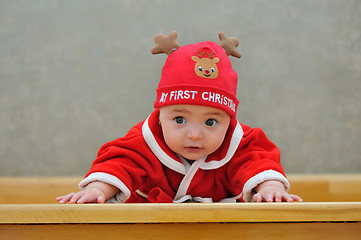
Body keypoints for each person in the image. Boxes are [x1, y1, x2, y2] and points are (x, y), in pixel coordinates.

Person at [57, 31, 303, 204]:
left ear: (229, 121)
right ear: (160, 116)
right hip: (152, 227)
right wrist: (98, 189)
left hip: (219, 228)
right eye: (179, 120)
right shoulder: (146, 140)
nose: (194, 134)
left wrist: (270, 187)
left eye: (210, 122)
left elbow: (258, 161)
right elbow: (120, 163)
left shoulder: (239, 143)